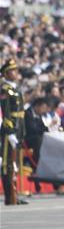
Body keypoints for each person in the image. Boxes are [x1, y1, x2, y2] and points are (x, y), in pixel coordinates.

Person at [1, 59, 26, 205]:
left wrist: (21, 131)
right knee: (8, 163)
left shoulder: (15, 89)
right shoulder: (4, 89)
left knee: (14, 163)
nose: (15, 73)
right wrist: (9, 131)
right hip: (8, 130)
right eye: (12, 70)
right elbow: (5, 112)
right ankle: (10, 196)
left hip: (18, 128)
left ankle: (15, 193)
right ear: (5, 73)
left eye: (16, 70)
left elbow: (20, 112)